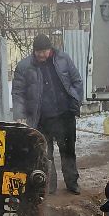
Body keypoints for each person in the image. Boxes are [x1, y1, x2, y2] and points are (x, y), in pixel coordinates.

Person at [11, 33, 83, 194]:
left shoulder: (63, 59)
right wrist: (19, 114)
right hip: (40, 119)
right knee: (44, 154)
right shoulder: (24, 67)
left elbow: (76, 81)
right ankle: (49, 186)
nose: (42, 55)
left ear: (50, 49)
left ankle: (72, 183)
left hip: (65, 116)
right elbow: (17, 93)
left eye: (44, 51)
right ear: (34, 51)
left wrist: (75, 100)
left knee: (68, 151)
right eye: (38, 52)